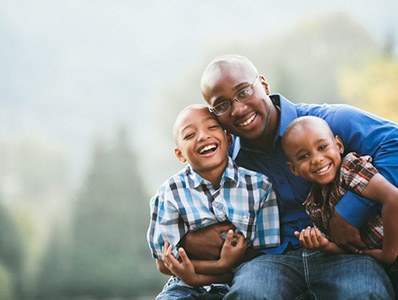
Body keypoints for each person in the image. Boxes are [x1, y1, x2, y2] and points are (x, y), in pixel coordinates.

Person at [179, 54, 397, 299]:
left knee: (363, 291)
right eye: (223, 105)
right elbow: (180, 198)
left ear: (263, 85)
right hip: (270, 260)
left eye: (244, 92)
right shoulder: (221, 156)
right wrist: (187, 240)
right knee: (249, 293)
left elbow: (394, 144)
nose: (239, 109)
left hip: (342, 252)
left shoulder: (327, 123)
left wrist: (349, 211)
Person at [147, 104, 280, 299]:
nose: (202, 136)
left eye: (211, 127)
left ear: (228, 138)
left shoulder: (259, 187)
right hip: (185, 285)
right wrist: (217, 266)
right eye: (189, 135)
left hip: (244, 279)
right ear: (180, 154)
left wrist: (227, 267)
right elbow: (164, 262)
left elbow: (267, 255)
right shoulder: (170, 194)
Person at [281, 116, 398, 268]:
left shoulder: (350, 169)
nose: (317, 159)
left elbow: (393, 198)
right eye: (304, 156)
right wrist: (323, 245)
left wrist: (388, 255)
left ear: (339, 145)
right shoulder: (314, 204)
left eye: (322, 147)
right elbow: (345, 247)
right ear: (294, 169)